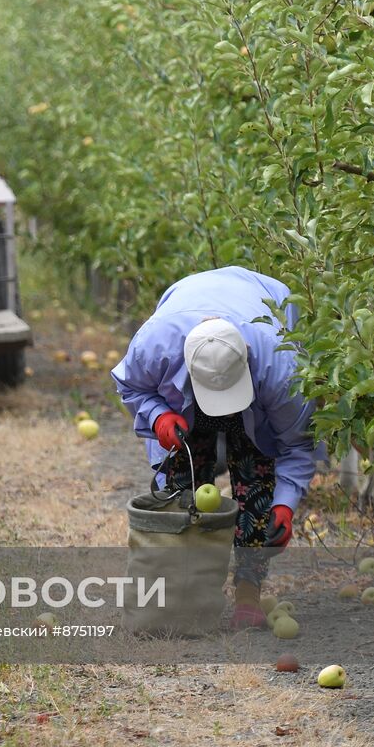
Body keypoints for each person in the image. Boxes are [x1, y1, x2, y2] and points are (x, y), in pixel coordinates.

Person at [110, 266, 322, 630]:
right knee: (180, 485)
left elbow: (296, 445)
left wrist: (285, 504)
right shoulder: (156, 345)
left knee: (257, 476)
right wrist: (159, 415)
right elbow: (130, 386)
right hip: (184, 392)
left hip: (257, 386)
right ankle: (184, 588)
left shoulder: (281, 368)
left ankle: (248, 592)